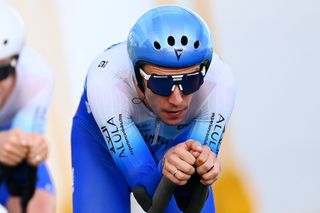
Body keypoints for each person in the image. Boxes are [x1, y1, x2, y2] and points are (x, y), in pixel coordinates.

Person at [71, 5, 235, 213]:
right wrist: (168, 165)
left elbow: (189, 201)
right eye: (162, 84)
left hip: (178, 139)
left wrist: (198, 172)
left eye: (190, 81)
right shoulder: (106, 81)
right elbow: (147, 193)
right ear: (137, 78)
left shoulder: (220, 83)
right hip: (100, 146)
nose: (177, 99)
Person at [0, 2, 55, 212]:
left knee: (40, 205)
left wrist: (35, 149)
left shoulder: (37, 76)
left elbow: (25, 147)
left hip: (8, 138)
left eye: (1, 72)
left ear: (17, 62)